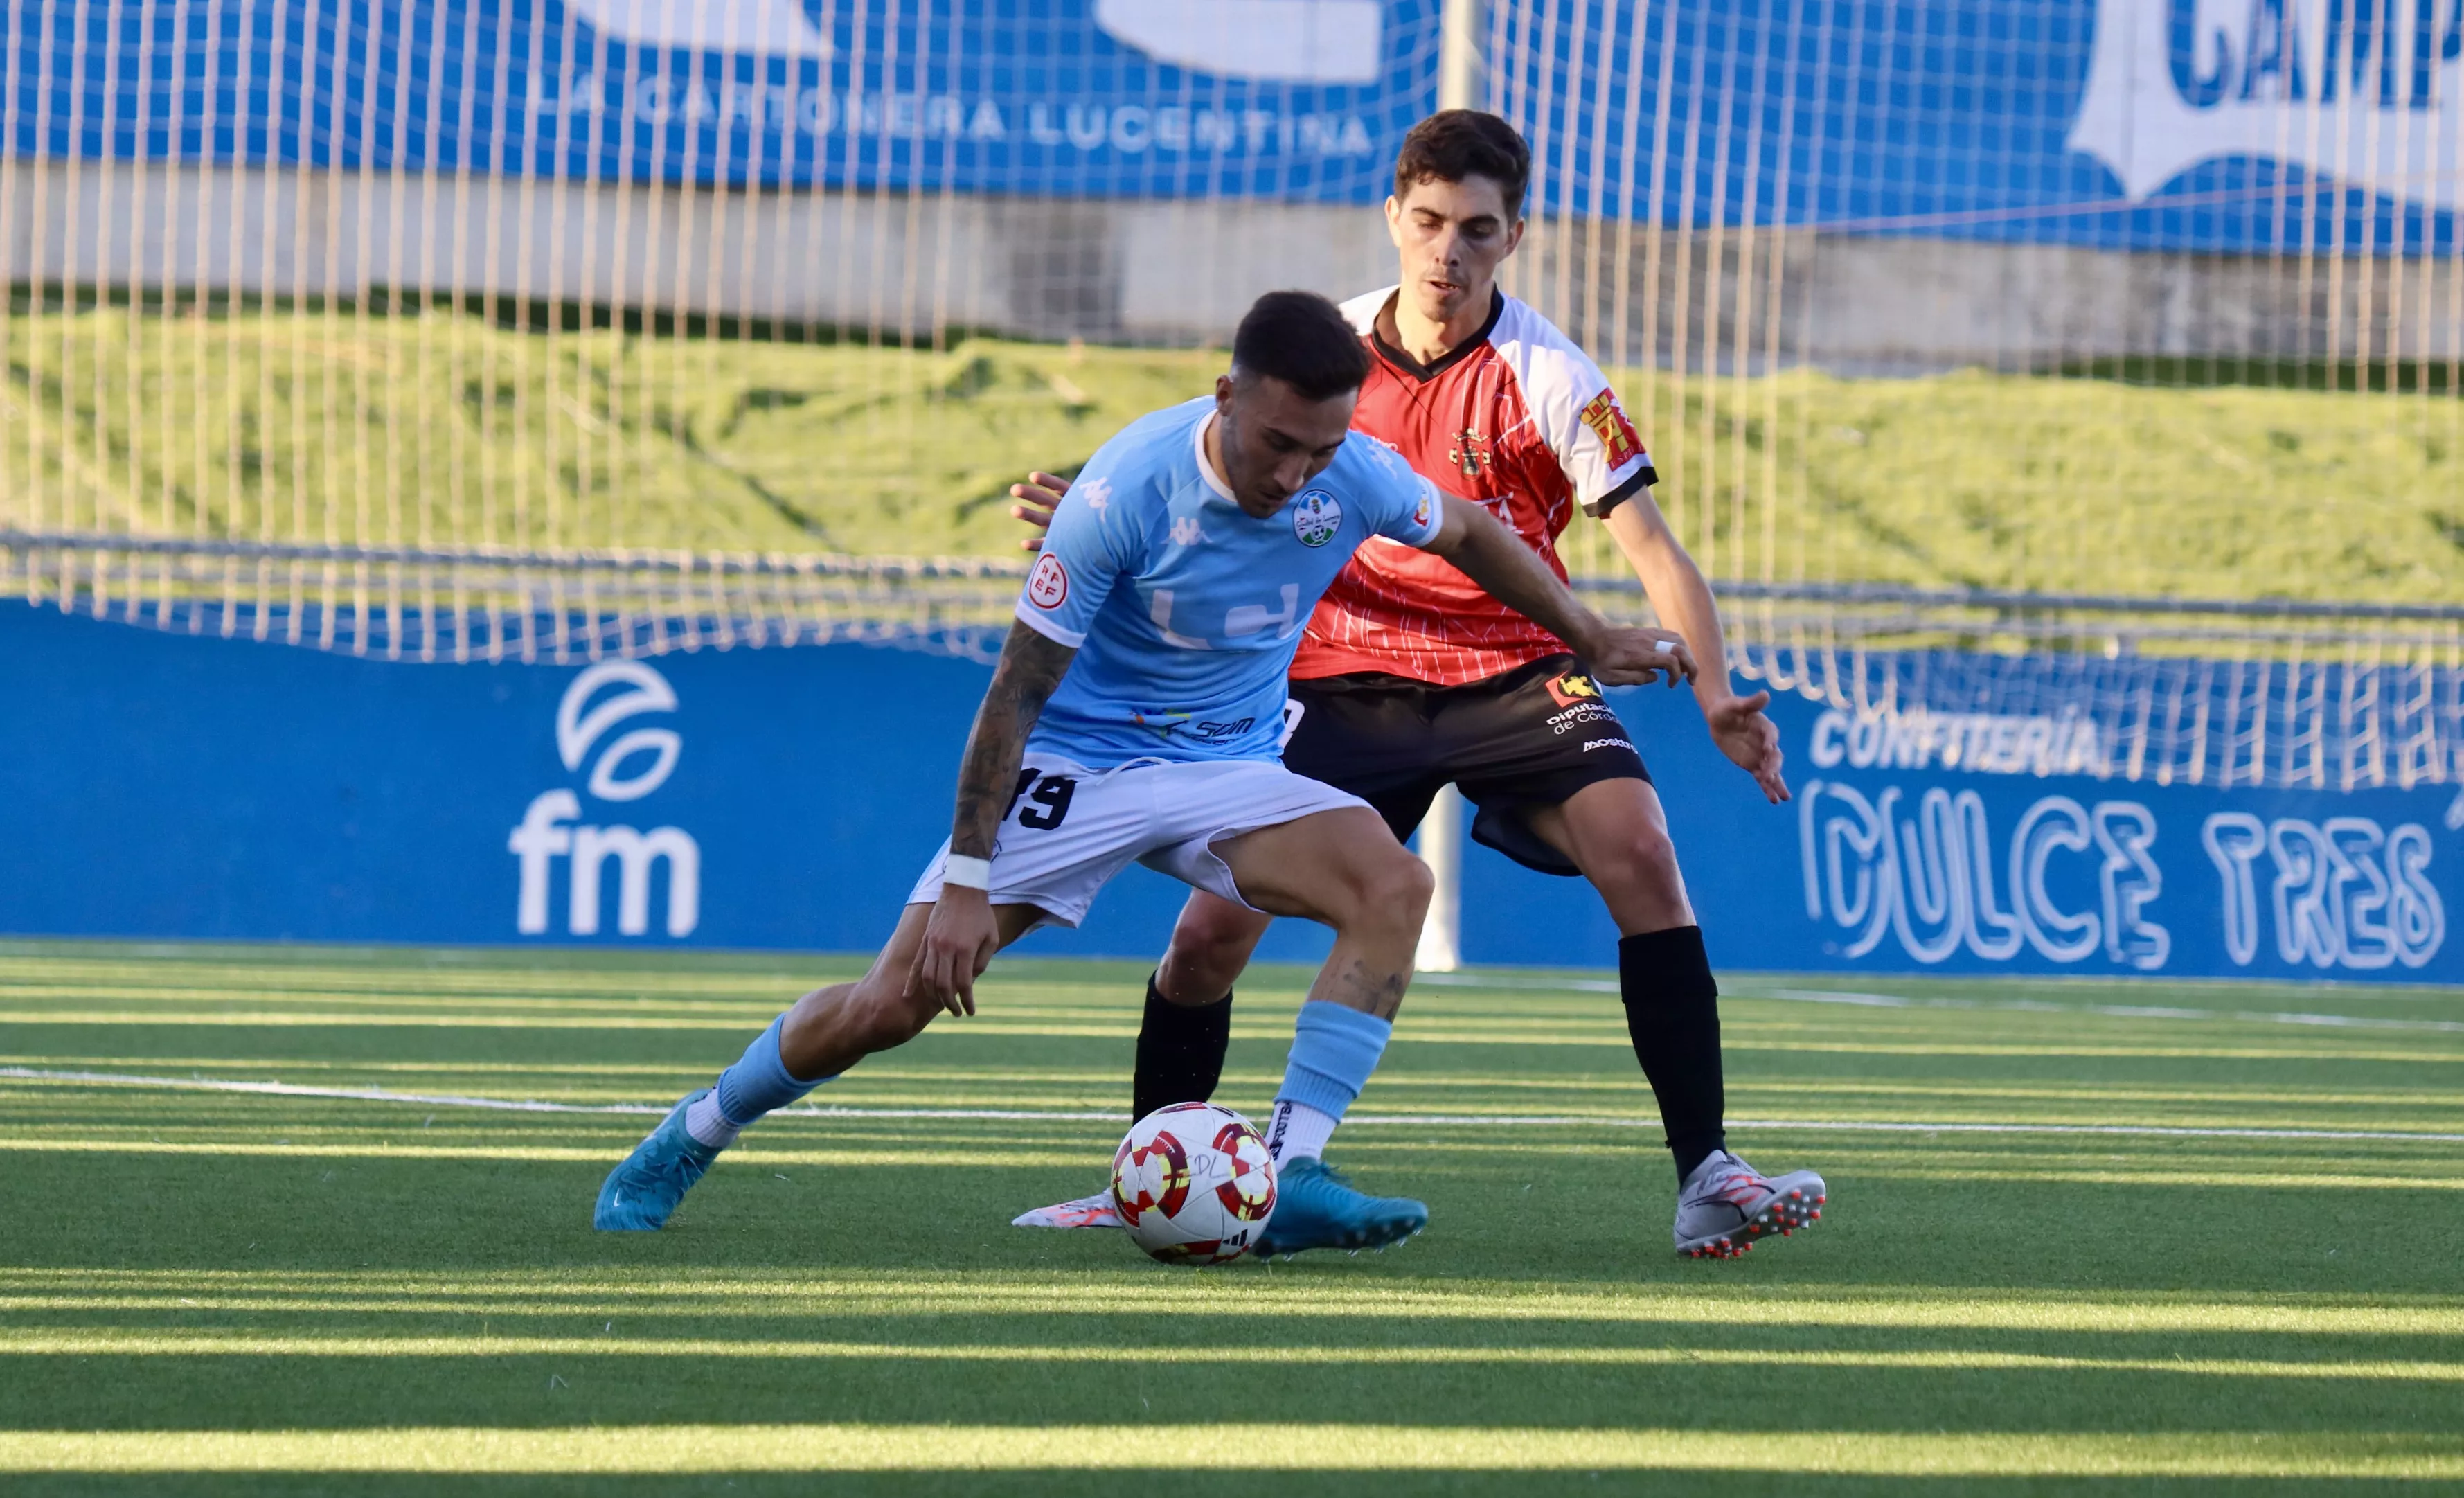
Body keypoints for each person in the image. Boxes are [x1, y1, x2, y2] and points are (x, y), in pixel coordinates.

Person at [593, 289, 1688, 1258]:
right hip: (1082, 761)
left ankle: (1291, 1167)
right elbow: (1014, 693)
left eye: (1320, 446)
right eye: (1276, 443)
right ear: (1223, 393)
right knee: (893, 1001)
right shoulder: (1121, 490)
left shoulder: (1347, 471)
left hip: (1229, 762)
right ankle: (693, 1130)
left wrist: (1586, 633)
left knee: (1394, 886)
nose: (1295, 472)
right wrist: (970, 878)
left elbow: (1470, 533)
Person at [1008, 112, 1826, 1260]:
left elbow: (1652, 548)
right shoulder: (1327, 351)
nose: (1450, 251)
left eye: (1478, 231)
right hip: (1342, 679)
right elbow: (1206, 460)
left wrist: (1716, 697)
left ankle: (1708, 1175)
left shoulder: (1552, 375)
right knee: (1207, 935)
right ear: (1395, 218)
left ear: (1514, 238)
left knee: (1642, 852)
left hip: (1514, 675)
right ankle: (1152, 1166)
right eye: (1431, 223)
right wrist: (1101, 509)